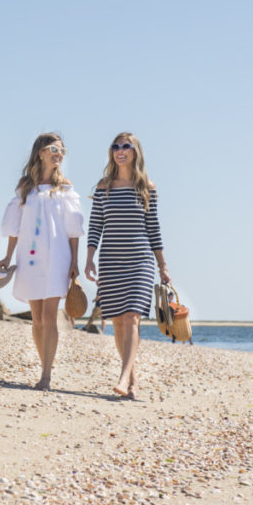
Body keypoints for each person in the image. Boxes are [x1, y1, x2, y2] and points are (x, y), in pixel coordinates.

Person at [0, 133, 84, 390]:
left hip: (57, 257)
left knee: (50, 316)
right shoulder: (26, 187)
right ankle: (44, 363)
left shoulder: (65, 187)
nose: (59, 153)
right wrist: (7, 257)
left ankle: (46, 374)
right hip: (30, 257)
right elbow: (15, 227)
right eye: (54, 148)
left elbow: (73, 229)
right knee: (37, 319)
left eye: (62, 150)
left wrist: (75, 262)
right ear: (40, 152)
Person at [84, 132, 170, 399]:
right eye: (116, 146)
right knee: (118, 322)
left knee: (132, 317)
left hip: (140, 260)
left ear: (136, 152)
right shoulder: (103, 186)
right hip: (110, 260)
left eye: (126, 147)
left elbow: (153, 228)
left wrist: (163, 266)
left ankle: (122, 378)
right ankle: (131, 382)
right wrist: (88, 258)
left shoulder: (147, 187)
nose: (120, 151)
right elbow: (96, 224)